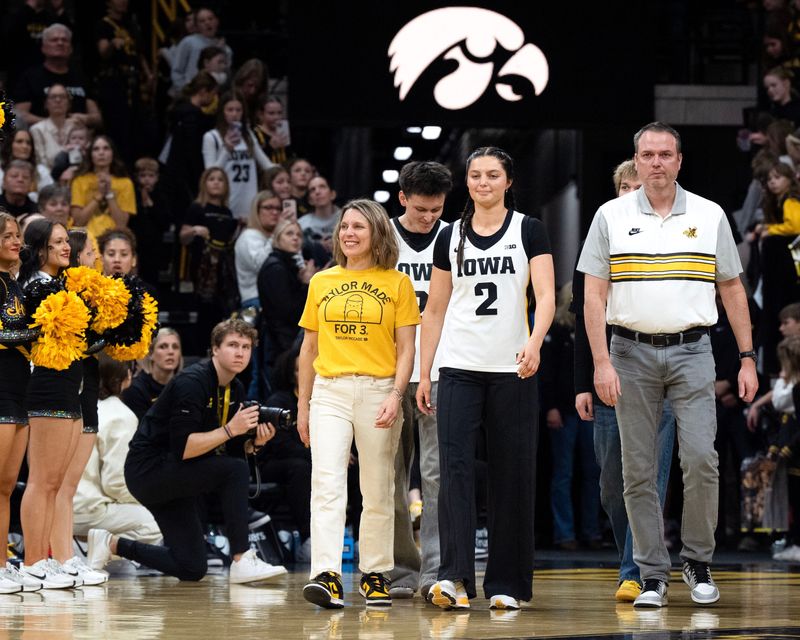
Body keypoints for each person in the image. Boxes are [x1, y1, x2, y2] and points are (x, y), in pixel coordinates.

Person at [578, 121, 759, 608]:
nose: (656, 162)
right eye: (648, 155)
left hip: (693, 350)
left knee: (701, 458)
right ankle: (652, 573)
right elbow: (593, 295)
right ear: (636, 161)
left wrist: (746, 358)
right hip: (629, 352)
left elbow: (732, 288)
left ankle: (697, 560)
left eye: (665, 154)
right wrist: (600, 362)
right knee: (636, 468)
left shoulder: (710, 213)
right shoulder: (610, 216)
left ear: (679, 161)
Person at [416, 147, 554, 611]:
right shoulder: (448, 236)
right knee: (451, 474)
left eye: (492, 175)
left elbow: (547, 297)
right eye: (475, 175)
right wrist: (424, 371)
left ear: (508, 181)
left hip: (513, 368)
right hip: (457, 368)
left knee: (512, 473)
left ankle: (508, 583)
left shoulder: (528, 229)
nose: (482, 182)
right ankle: (453, 577)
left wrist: (534, 342)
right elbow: (433, 310)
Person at [87, 319, 287, 584]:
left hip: (175, 476)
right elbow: (185, 448)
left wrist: (255, 444)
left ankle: (111, 544)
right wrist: (230, 430)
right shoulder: (192, 382)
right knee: (234, 470)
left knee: (192, 567)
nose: (240, 352)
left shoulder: (235, 389)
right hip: (148, 470)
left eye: (246, 347)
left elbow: (229, 451)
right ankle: (241, 558)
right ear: (214, 349)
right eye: (233, 345)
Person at [298, 198, 419, 608]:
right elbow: (307, 348)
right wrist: (302, 406)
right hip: (329, 391)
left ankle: (375, 573)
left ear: (377, 233)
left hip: (379, 390)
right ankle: (327, 574)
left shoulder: (397, 284)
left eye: (358, 227)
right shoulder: (321, 282)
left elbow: (407, 350)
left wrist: (396, 395)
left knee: (378, 489)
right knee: (327, 485)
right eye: (344, 226)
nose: (348, 233)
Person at [572, 158, 676, 602]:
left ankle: (638, 570)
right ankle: (631, 560)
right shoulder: (600, 239)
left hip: (662, 373)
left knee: (648, 479)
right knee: (612, 486)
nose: (633, 194)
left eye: (640, 186)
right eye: (626, 187)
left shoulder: (671, 241)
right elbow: (582, 316)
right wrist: (583, 380)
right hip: (609, 374)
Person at [386, 160, 452, 600]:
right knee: (387, 475)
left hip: (442, 368)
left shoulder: (456, 236)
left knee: (438, 475)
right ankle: (398, 569)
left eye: (437, 209)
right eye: (422, 208)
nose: (429, 217)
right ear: (403, 198)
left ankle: (435, 569)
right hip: (387, 370)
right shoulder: (381, 236)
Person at [18, 218, 82, 588]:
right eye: (57, 242)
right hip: (45, 384)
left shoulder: (59, 284)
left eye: (66, 241)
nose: (66, 247)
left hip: (67, 383)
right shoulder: (37, 287)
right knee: (42, 481)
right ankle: (32, 561)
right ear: (40, 248)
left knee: (55, 483)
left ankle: (50, 558)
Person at [44, 228, 109, 587]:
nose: (96, 258)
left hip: (89, 388)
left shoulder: (91, 294)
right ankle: (60, 557)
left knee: (68, 487)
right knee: (60, 485)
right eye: (92, 252)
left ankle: (66, 556)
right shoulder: (65, 296)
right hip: (70, 389)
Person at [74, 354, 161, 546]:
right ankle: (94, 549)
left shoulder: (77, 405)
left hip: (57, 505)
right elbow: (115, 483)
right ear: (126, 376)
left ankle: (80, 545)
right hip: (87, 509)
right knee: (155, 523)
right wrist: (147, 500)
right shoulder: (121, 415)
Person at [542, 281, 601, 550]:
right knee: (563, 473)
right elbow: (548, 375)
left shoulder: (593, 331)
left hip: (591, 409)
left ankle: (592, 530)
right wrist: (550, 407)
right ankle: (564, 532)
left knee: (593, 472)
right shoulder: (556, 332)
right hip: (564, 411)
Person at [0, 212, 42, 592]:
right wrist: (39, 328)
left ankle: (1, 562)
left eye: (18, 236)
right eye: (9, 236)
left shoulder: (14, 285)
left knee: (7, 484)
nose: (18, 242)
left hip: (18, 390)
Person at [179, 167, 239, 340]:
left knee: (221, 309)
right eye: (211, 179)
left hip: (224, 268)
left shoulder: (227, 212)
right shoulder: (197, 208)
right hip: (202, 268)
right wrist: (194, 230)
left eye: (220, 179)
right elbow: (183, 236)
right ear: (204, 183)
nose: (216, 183)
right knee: (204, 308)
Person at [257, 219, 315, 394]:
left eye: (299, 234)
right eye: (289, 234)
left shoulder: (287, 265)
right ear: (277, 239)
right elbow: (289, 311)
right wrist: (307, 284)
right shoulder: (276, 268)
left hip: (283, 340)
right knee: (279, 392)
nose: (296, 238)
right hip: (279, 343)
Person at [754, 161, 800, 376]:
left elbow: (795, 226)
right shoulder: (777, 201)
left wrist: (769, 229)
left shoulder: (791, 199)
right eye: (770, 179)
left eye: (777, 178)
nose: (773, 183)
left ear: (789, 178)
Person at [94, 0, 153, 164]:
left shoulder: (131, 25)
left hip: (134, 84)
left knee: (138, 127)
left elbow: (139, 53)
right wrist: (113, 44)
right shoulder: (103, 25)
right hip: (115, 83)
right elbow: (102, 52)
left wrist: (148, 75)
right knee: (118, 127)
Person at [14, 23, 103, 130]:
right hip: (41, 138)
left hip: (77, 138)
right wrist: (53, 123)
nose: (60, 43)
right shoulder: (30, 77)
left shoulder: (81, 77)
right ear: (43, 48)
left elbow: (97, 118)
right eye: (54, 40)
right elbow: (19, 115)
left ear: (71, 49)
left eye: (64, 40)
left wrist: (84, 119)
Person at [202, 92, 272, 221]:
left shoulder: (248, 136)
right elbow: (210, 175)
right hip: (225, 201)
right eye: (230, 110)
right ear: (222, 112)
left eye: (238, 110)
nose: (234, 114)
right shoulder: (211, 137)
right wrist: (226, 149)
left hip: (248, 199)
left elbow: (267, 165)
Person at [70, 135, 137, 238]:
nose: (101, 153)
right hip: (86, 240)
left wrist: (109, 193)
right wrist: (99, 194)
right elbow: (78, 222)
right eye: (96, 149)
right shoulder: (79, 181)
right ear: (91, 155)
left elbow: (121, 225)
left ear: (112, 153)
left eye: (106, 148)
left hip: (114, 240)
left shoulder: (125, 183)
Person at [122, 327, 183, 420]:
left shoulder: (185, 385)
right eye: (163, 346)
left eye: (175, 347)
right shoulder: (135, 388)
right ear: (150, 354)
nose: (171, 352)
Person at [128, 157, 171, 288]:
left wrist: (151, 206)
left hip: (154, 246)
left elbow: (166, 222)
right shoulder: (132, 194)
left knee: (152, 280)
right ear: (136, 177)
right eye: (143, 175)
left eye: (151, 176)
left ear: (157, 177)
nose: (147, 179)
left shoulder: (162, 196)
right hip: (136, 243)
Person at [169, 7, 232, 94]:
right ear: (197, 26)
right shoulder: (189, 42)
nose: (207, 23)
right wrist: (184, 90)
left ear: (216, 21)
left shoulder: (226, 49)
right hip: (189, 93)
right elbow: (177, 70)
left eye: (210, 19)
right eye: (202, 21)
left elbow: (226, 75)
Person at [29, 82, 76, 171]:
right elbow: (41, 164)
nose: (58, 100)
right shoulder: (37, 130)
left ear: (69, 104)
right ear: (46, 104)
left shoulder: (76, 128)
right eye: (53, 97)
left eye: (62, 97)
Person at [1, 129, 53, 196]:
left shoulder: (41, 171)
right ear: (10, 145)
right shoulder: (1, 171)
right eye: (19, 141)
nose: (25, 146)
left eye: (28, 143)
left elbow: (50, 197)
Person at [253, 95, 293, 165]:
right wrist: (270, 147)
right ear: (260, 115)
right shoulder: (254, 133)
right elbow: (254, 159)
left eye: (279, 113)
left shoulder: (284, 131)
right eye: (271, 113)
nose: (276, 117)